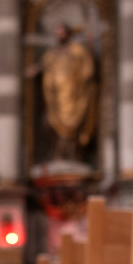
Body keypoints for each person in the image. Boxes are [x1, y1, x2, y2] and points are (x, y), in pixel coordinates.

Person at [36, 24, 96, 163]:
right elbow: (43, 65)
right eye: (57, 33)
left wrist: (90, 45)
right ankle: (59, 155)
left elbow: (87, 70)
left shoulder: (77, 50)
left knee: (72, 123)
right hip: (55, 96)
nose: (59, 36)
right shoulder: (53, 53)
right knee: (50, 123)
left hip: (73, 94)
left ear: (68, 34)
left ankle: (72, 156)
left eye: (62, 33)